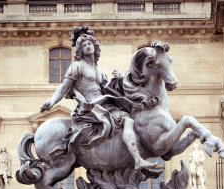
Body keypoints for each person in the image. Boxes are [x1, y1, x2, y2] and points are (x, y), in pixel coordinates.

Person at [40, 32, 155, 170]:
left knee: (132, 117)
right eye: (84, 45)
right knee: (128, 121)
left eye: (89, 44)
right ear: (80, 51)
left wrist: (120, 79)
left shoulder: (100, 71)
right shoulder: (77, 66)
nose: (88, 46)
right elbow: (63, 87)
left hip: (104, 103)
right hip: (90, 107)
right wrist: (51, 102)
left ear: (95, 47)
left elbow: (109, 90)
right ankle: (137, 160)